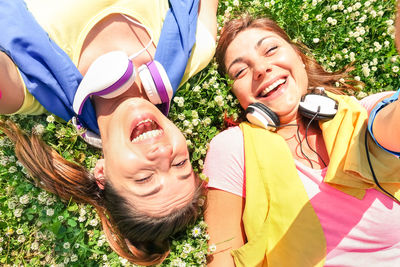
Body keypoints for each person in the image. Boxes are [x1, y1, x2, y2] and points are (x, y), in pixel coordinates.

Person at [0, 0, 217, 265]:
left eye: (145, 178)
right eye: (180, 163)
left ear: (102, 174)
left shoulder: (21, 90)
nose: (162, 153)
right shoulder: (196, 48)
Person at [203, 11, 400, 267]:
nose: (261, 69)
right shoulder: (233, 148)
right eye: (240, 71)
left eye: (271, 50)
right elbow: (221, 260)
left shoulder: (362, 114)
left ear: (299, 56)